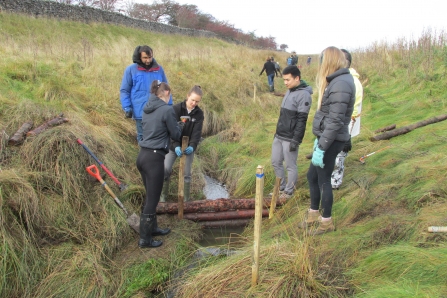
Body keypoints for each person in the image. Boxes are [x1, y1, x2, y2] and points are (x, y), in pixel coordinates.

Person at [298, 46, 355, 235]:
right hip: (326, 138)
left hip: (331, 140)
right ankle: (314, 214)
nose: (320, 64)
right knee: (312, 176)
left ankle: (326, 222)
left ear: (329, 61)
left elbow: (335, 120)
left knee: (323, 179)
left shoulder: (341, 84)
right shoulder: (337, 81)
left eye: (322, 60)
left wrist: (322, 146)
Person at [136, 80, 183, 248]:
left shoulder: (147, 108)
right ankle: (145, 240)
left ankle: (153, 228)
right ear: (167, 93)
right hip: (154, 159)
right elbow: (175, 134)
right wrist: (180, 125)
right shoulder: (167, 109)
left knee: (151, 196)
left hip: (142, 156)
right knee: (152, 200)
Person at [271, 65, 313, 199]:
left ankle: (289, 192)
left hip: (290, 137)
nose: (285, 83)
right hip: (279, 135)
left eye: (288, 80)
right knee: (275, 161)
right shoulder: (289, 90)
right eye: (284, 80)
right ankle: (281, 187)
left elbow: (302, 120)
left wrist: (296, 140)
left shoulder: (304, 95)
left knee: (290, 165)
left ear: (297, 78)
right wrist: (276, 133)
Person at [120, 45, 172, 142]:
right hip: (140, 110)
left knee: (158, 136)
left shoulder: (159, 69)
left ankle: (157, 156)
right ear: (139, 57)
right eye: (145, 58)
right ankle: (144, 156)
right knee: (142, 137)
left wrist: (169, 106)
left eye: (150, 57)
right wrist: (126, 107)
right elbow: (125, 90)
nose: (148, 60)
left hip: (158, 110)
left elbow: (166, 89)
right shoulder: (131, 70)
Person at [161, 85, 204, 202]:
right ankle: (163, 197)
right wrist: (175, 146)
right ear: (187, 96)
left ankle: (186, 199)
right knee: (165, 168)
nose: (194, 103)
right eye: (192, 100)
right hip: (173, 145)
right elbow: (169, 130)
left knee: (186, 173)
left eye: (197, 101)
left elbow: (197, 133)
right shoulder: (175, 109)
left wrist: (192, 145)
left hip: (188, 146)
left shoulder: (199, 114)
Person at [331, 49, 363, 190]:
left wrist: (348, 132)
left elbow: (353, 107)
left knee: (340, 152)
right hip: (338, 121)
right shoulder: (340, 79)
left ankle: (335, 182)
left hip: (347, 121)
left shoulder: (353, 81)